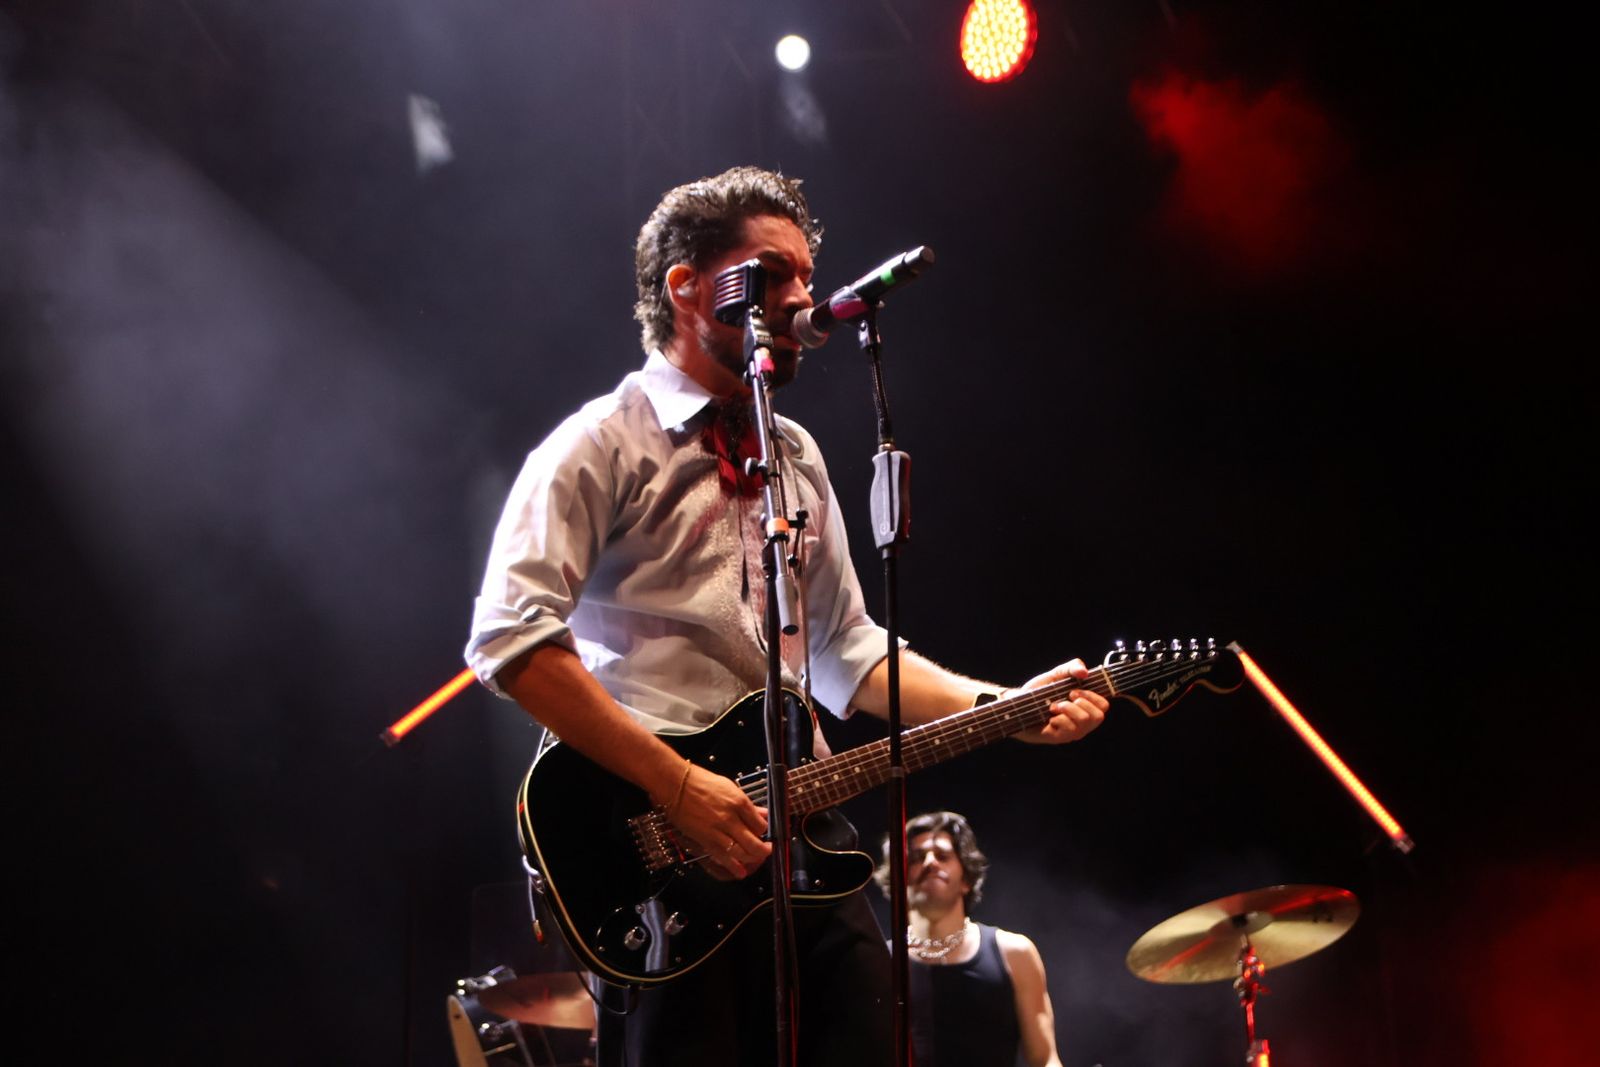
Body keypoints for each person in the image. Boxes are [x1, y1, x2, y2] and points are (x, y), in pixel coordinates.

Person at [465, 165, 1108, 1067]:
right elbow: (509, 640)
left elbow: (846, 650)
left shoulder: (793, 452)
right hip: (663, 842)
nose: (806, 298)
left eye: (809, 275)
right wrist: (681, 787)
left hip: (800, 830)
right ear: (688, 287)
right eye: (773, 275)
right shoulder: (600, 443)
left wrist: (1005, 703)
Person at [877, 810, 1062, 1067]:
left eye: (943, 856)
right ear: (897, 882)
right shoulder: (878, 962)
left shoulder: (1014, 953)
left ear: (966, 879)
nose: (930, 862)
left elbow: (1045, 1059)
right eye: (917, 858)